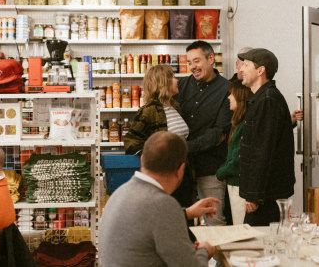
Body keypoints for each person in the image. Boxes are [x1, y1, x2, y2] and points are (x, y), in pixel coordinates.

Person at [99, 131, 219, 267]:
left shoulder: (121, 192)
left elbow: (146, 220)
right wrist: (205, 250)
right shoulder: (162, 205)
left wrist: (186, 213)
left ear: (142, 159)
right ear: (181, 169)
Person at [175, 40, 232, 225]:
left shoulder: (227, 89)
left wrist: (184, 147)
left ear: (210, 58)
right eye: (189, 62)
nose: (193, 67)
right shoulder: (182, 86)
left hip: (210, 167)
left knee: (214, 221)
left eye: (196, 61)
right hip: (182, 169)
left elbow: (219, 132)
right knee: (182, 221)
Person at [237, 48, 295, 225]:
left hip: (266, 195)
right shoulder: (262, 98)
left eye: (246, 65)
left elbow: (262, 151)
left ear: (260, 70)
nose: (241, 70)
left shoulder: (268, 100)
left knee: (260, 245)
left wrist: (254, 196)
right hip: (265, 192)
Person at [124, 64, 189, 155]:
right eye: (173, 77)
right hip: (164, 167)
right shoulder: (150, 110)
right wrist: (153, 155)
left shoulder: (175, 107)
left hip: (180, 166)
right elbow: (131, 140)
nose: (177, 80)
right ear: (163, 83)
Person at [215, 80, 252, 225]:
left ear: (241, 97)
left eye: (232, 94)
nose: (229, 97)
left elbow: (237, 158)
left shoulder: (244, 125)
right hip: (235, 182)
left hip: (238, 185)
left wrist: (221, 172)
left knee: (240, 225)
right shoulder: (239, 122)